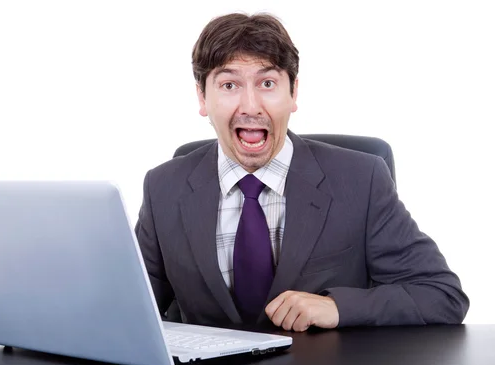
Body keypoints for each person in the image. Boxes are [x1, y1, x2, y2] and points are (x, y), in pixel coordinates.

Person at [135, 12, 469, 332]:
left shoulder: (361, 179)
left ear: (293, 92)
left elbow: (442, 296)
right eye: (229, 85)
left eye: (267, 82)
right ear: (202, 97)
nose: (250, 106)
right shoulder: (163, 187)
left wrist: (339, 307)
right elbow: (132, 306)